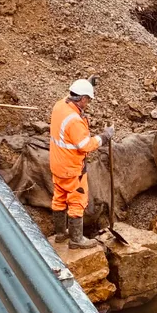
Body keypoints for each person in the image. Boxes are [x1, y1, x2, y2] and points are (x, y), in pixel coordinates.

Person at [50, 78, 114, 249]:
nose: (88, 103)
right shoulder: (74, 121)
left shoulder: (59, 106)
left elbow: (71, 94)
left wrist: (88, 84)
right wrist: (105, 136)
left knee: (59, 198)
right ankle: (76, 240)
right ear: (83, 98)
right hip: (72, 169)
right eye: (88, 99)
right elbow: (85, 145)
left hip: (57, 165)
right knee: (77, 201)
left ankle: (60, 234)